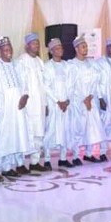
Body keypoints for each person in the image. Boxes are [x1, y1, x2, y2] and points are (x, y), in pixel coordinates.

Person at [0, 36, 32, 178]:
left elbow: (25, 83)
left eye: (10, 49)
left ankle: (7, 167)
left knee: (13, 138)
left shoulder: (17, 65)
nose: (8, 52)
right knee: (1, 138)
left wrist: (25, 96)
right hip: (3, 107)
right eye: (5, 49)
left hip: (17, 108)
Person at [67, 35, 105, 165]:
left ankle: (89, 154)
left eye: (86, 46)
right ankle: (76, 156)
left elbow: (96, 81)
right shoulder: (71, 65)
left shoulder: (92, 64)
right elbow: (71, 86)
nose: (86, 49)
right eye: (83, 47)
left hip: (91, 99)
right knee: (78, 128)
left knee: (92, 128)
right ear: (76, 49)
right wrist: (83, 99)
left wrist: (90, 97)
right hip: (78, 102)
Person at [15, 32, 47, 171]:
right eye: (34, 43)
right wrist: (24, 96)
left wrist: (45, 104)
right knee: (25, 133)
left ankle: (35, 162)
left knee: (39, 133)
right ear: (27, 46)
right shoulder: (21, 61)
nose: (36, 46)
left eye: (38, 43)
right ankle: (20, 164)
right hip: (27, 105)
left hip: (40, 105)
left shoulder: (40, 61)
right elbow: (20, 82)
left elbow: (44, 85)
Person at [42, 38, 72, 168]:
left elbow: (71, 84)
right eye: (57, 48)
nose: (60, 50)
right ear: (51, 51)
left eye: (61, 47)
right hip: (54, 104)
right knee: (50, 131)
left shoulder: (67, 65)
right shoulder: (47, 66)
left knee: (65, 130)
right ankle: (47, 160)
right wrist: (57, 101)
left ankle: (63, 158)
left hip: (66, 104)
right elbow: (46, 86)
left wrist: (67, 100)